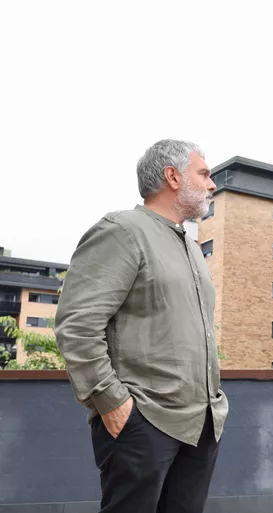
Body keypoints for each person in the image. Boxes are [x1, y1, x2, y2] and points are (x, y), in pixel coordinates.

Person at [55, 139, 228, 513]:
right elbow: (77, 325)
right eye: (204, 173)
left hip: (201, 424)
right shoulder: (122, 231)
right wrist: (111, 401)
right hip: (143, 421)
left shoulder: (192, 246)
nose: (212, 184)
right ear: (172, 177)